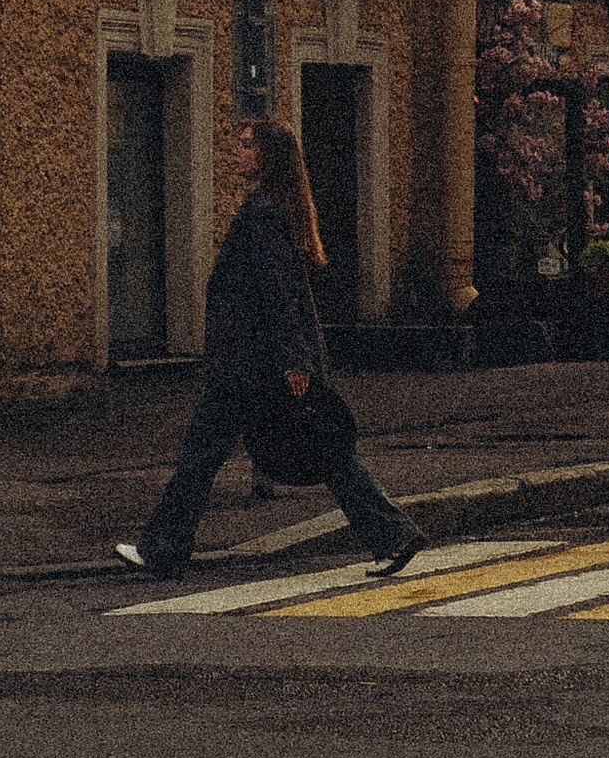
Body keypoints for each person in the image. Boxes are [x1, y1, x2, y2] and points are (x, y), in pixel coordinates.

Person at [117, 115, 422, 580]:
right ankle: (391, 533)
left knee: (205, 454)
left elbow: (278, 291)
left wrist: (295, 361)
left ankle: (164, 548)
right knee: (318, 449)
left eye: (245, 145)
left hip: (251, 363)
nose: (236, 152)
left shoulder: (263, 212)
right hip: (258, 360)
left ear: (268, 157)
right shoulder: (273, 206)